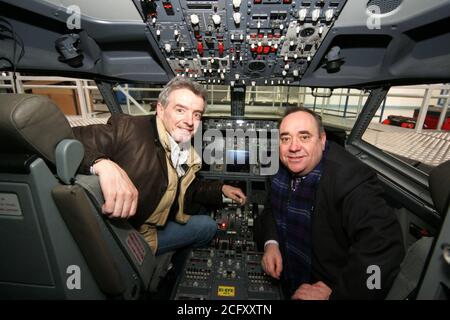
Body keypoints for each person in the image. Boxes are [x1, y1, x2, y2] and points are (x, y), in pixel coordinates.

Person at [73, 77, 246, 255]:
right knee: (208, 227)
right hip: (133, 237)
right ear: (160, 109)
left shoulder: (183, 150)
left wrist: (221, 188)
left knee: (203, 214)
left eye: (197, 115)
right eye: (180, 110)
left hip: (149, 225)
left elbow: (186, 188)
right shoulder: (128, 129)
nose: (190, 121)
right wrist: (102, 164)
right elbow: (66, 136)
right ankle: (168, 267)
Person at [259, 107, 404, 300]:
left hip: (326, 282)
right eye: (285, 138)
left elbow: (384, 253)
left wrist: (340, 294)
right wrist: (271, 243)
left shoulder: (350, 179)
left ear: (322, 139)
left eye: (304, 137)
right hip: (290, 275)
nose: (293, 147)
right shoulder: (279, 169)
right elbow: (271, 208)